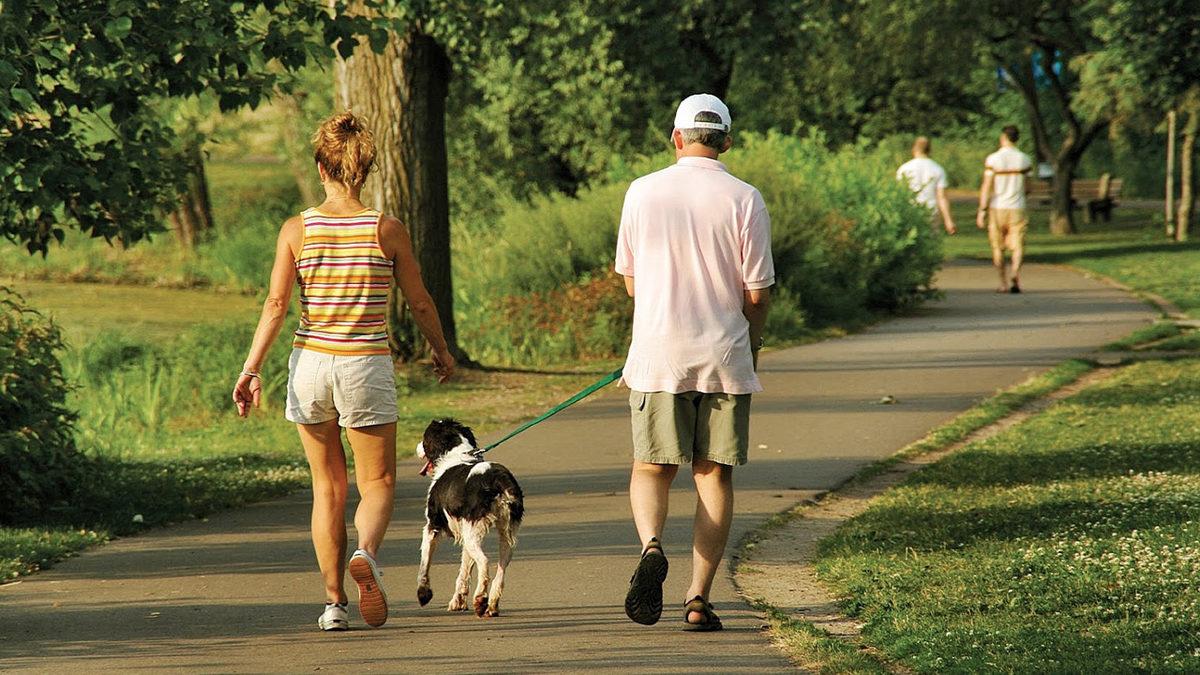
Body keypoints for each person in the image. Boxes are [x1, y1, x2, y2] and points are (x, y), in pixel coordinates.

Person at [232, 111, 455, 632]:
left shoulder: (297, 229)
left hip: (310, 363)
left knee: (327, 486)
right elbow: (420, 303)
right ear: (366, 169)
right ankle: (368, 555)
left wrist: (252, 368)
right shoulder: (386, 229)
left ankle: (334, 604)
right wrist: (441, 351)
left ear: (320, 166)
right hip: (365, 365)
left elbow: (274, 304)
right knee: (375, 481)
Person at [615, 93, 773, 632]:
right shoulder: (746, 198)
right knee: (712, 475)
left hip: (658, 354)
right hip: (724, 354)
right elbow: (757, 293)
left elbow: (633, 283)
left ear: (677, 138)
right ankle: (698, 598)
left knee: (651, 466)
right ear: (727, 141)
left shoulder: (641, 192)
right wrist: (753, 344)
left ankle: (652, 545)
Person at [976, 125, 1033, 293]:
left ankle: (1003, 283)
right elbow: (1028, 187)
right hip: (1017, 206)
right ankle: (1015, 273)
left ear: (1003, 137)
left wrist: (982, 210)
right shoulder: (1024, 159)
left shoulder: (993, 159)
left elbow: (987, 186)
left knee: (997, 246)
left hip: (997, 206)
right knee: (1018, 244)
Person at [896, 136, 956, 234]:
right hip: (931, 210)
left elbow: (899, 194)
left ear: (914, 149)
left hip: (911, 209)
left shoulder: (904, 169)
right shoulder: (937, 169)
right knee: (931, 241)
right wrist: (948, 220)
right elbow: (942, 198)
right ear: (929, 150)